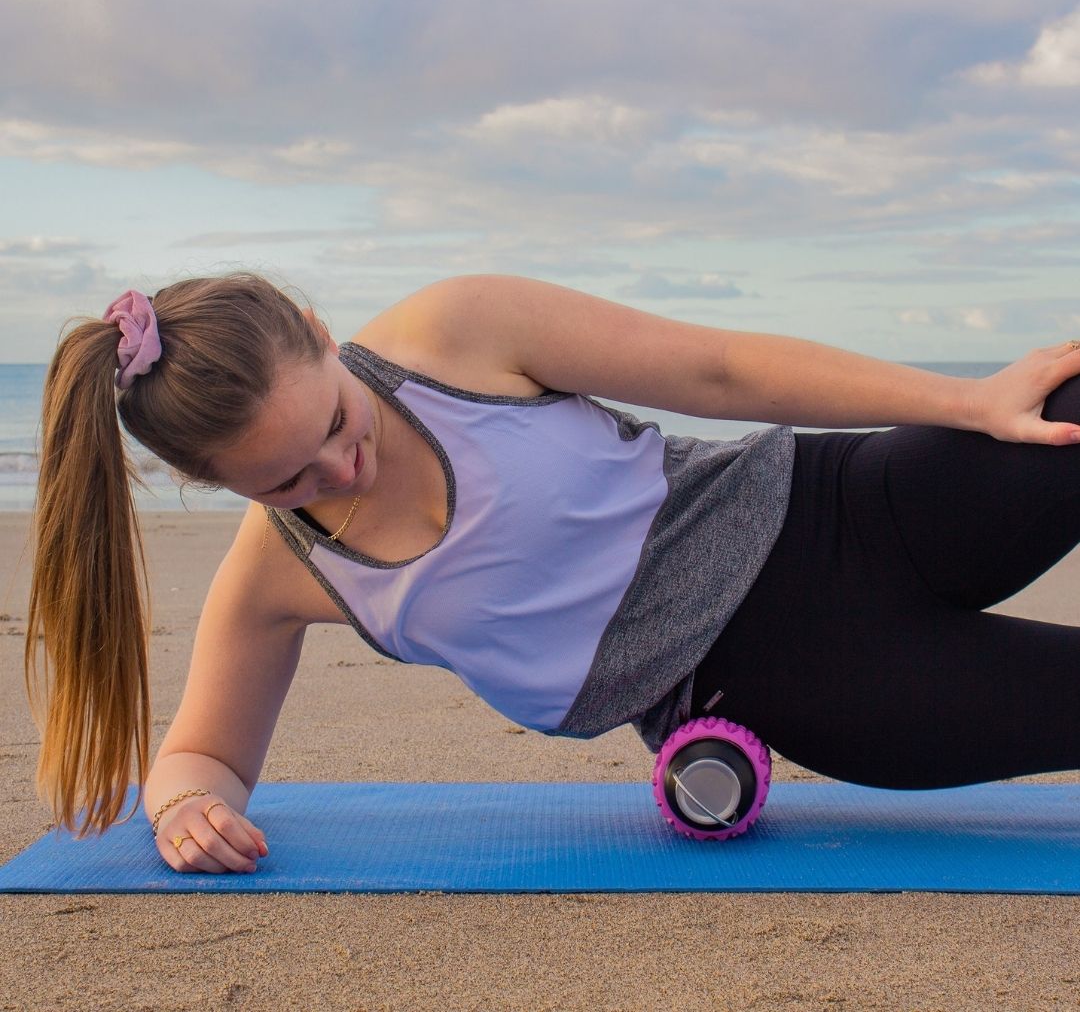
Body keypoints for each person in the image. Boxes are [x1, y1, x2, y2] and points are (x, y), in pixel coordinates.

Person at [25, 271, 1080, 874]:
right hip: (793, 684)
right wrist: (183, 811)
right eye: (289, 481)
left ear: (317, 328)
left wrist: (971, 401)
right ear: (224, 487)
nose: (342, 469)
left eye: (335, 424)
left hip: (835, 505)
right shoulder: (279, 581)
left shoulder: (455, 333)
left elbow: (722, 371)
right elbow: (203, 754)